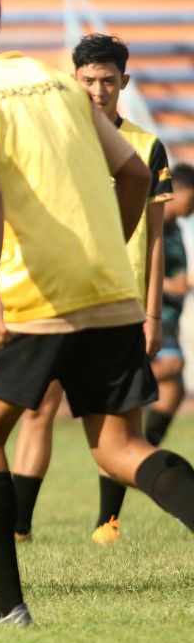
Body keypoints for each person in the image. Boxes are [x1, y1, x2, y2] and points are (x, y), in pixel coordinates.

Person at [0, 0, 194, 628]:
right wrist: (102, 253)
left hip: (30, 299)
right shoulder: (57, 84)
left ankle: (7, 607)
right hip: (108, 292)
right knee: (120, 449)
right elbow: (132, 176)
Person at [9, 34, 173, 545]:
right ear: (72, 82)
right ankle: (18, 526)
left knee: (119, 423)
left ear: (124, 82)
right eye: (88, 81)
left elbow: (155, 240)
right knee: (38, 408)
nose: (98, 91)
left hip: (119, 304)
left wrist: (152, 315)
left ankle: (108, 523)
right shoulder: (59, 143)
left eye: (108, 81)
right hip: (60, 297)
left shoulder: (146, 147)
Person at [148, 165, 194, 442]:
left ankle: (143, 453)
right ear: (179, 190)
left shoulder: (176, 229)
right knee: (174, 364)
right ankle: (110, 384)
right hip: (153, 314)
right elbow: (136, 270)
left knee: (173, 392)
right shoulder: (153, 223)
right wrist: (171, 285)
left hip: (170, 318)